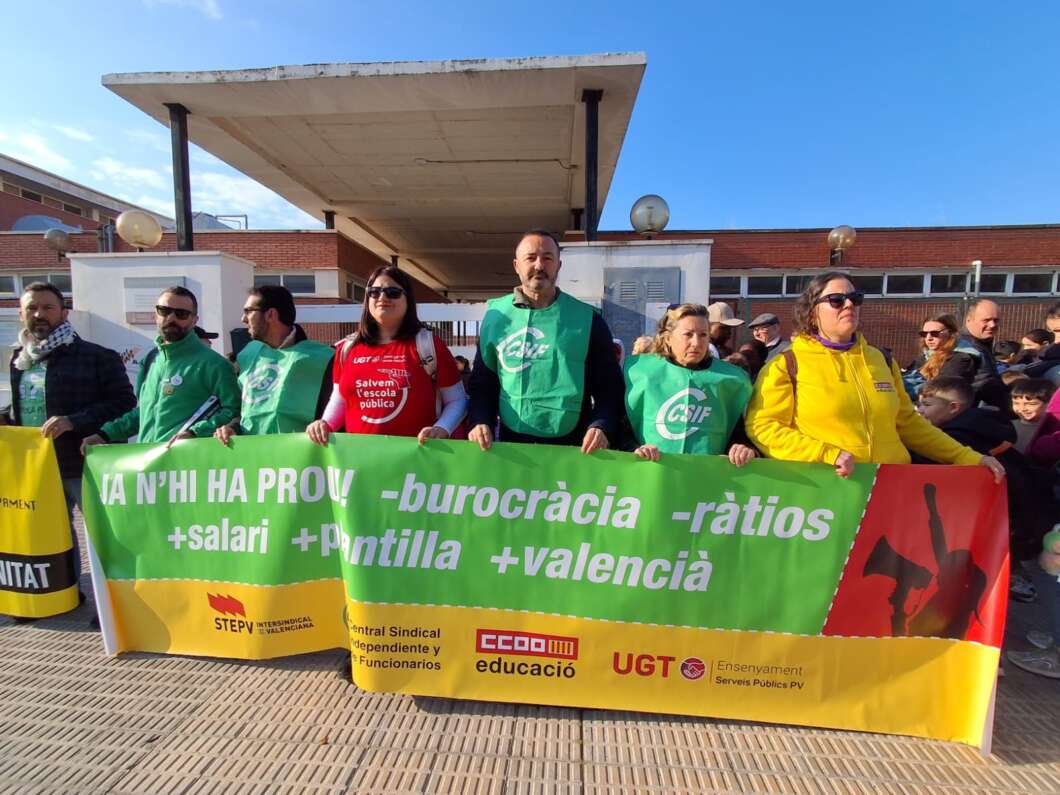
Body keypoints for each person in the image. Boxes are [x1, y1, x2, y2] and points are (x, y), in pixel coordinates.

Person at [745, 272, 1005, 482]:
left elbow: (908, 423)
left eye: (854, 298)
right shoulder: (787, 364)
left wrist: (969, 457)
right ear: (813, 311)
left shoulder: (880, 359)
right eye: (836, 300)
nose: (848, 305)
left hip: (889, 489)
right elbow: (764, 427)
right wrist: (825, 454)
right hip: (827, 491)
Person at [2, 281, 136, 608]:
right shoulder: (20, 359)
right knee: (52, 535)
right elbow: (26, 406)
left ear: (64, 312)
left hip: (83, 460)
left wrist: (74, 421)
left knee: (104, 536)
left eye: (48, 307)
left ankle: (115, 606)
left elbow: (124, 403)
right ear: (21, 314)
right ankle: (64, 597)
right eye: (32, 308)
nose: (39, 314)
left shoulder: (97, 357)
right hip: (37, 467)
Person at [467, 229, 624, 454]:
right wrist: (480, 421)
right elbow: (483, 383)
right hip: (512, 446)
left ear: (559, 265)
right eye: (530, 258)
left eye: (548, 258)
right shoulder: (495, 317)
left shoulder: (588, 319)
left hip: (574, 446)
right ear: (516, 265)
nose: (539, 265)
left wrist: (602, 425)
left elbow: (610, 387)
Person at [915, 377, 1054, 604]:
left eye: (927, 405)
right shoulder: (984, 428)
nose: (919, 411)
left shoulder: (958, 437)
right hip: (1014, 519)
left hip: (1004, 520)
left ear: (953, 408)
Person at [307, 266, 467, 446]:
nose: (382, 298)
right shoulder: (346, 349)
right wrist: (325, 424)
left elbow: (458, 400)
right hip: (359, 462)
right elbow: (340, 400)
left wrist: (442, 428)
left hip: (418, 463)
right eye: (374, 292)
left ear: (408, 299)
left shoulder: (429, 345)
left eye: (392, 292)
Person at [82, 286, 240, 448]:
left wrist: (196, 433)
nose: (172, 318)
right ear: (155, 315)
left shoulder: (215, 364)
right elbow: (143, 414)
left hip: (188, 465)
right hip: (149, 465)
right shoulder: (151, 360)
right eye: (164, 310)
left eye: (181, 314)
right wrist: (105, 434)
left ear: (194, 320)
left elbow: (233, 412)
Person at [624, 303, 755, 466]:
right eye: (688, 334)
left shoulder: (731, 380)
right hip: (652, 476)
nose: (696, 343)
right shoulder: (640, 373)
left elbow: (741, 433)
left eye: (703, 335)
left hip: (707, 480)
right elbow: (620, 428)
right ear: (668, 338)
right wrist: (634, 449)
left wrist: (743, 448)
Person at [215, 285, 334, 444]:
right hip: (253, 459)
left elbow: (337, 410)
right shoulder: (245, 356)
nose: (243, 319)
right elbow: (236, 408)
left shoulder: (324, 358)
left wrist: (325, 423)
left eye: (248, 311)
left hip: (302, 460)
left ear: (270, 314)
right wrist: (232, 428)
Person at [938, 298, 1007, 411]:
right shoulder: (967, 351)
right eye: (986, 320)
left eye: (996, 320)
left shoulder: (981, 345)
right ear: (969, 320)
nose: (992, 325)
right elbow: (986, 386)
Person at [903, 313, 962, 396]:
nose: (928, 338)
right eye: (924, 334)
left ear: (950, 333)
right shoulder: (925, 356)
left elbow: (943, 390)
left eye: (934, 333)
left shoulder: (960, 358)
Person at [1011, 378, 1055, 454]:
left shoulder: (1054, 430)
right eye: (1016, 403)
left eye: (1031, 404)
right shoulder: (1008, 426)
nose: (1022, 409)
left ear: (1050, 403)